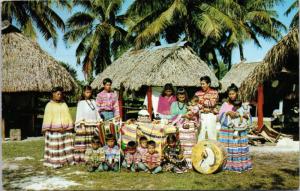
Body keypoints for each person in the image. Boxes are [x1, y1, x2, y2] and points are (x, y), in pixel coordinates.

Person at [218, 84, 252, 173]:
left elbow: (248, 117)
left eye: (233, 94)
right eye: (230, 94)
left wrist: (244, 115)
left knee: (238, 146)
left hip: (239, 131)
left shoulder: (242, 104)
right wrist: (228, 113)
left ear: (237, 93)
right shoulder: (225, 104)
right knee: (228, 147)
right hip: (228, 131)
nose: (231, 96)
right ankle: (227, 164)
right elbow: (220, 116)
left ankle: (239, 164)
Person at [42, 87, 74, 168]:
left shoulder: (64, 104)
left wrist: (67, 127)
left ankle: (66, 160)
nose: (59, 96)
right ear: (53, 94)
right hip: (54, 131)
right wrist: (55, 128)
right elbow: (47, 118)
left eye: (60, 94)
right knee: (55, 146)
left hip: (65, 130)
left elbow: (68, 116)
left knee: (65, 146)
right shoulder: (49, 105)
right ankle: (55, 161)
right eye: (57, 94)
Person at [74, 85, 103, 163]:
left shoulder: (93, 102)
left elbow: (96, 112)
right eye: (87, 92)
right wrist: (81, 123)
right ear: (83, 93)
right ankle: (83, 158)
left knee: (92, 141)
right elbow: (79, 114)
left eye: (90, 92)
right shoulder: (81, 103)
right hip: (84, 126)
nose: (88, 94)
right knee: (84, 142)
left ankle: (93, 157)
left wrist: (99, 120)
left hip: (93, 125)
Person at [171, 88, 196, 169]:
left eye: (183, 94)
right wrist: (182, 115)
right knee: (180, 143)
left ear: (185, 95)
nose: (181, 96)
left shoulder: (188, 105)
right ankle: (179, 161)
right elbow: (172, 116)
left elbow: (193, 115)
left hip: (186, 126)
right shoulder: (174, 104)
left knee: (189, 142)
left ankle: (189, 161)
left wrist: (190, 115)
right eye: (179, 94)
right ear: (177, 96)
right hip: (178, 126)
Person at [195, 76, 219, 141]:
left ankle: (213, 149)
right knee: (200, 133)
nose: (202, 85)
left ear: (208, 84)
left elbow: (212, 103)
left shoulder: (214, 92)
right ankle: (200, 149)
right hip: (201, 115)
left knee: (212, 133)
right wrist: (204, 105)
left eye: (203, 84)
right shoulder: (197, 93)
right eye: (201, 84)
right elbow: (196, 104)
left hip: (211, 115)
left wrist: (202, 103)